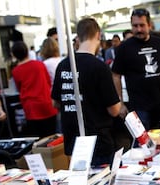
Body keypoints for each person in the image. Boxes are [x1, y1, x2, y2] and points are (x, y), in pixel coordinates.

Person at [52, 17, 127, 167]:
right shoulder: (99, 67)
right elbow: (114, 110)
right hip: (98, 141)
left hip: (73, 140)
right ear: (98, 36)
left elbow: (55, 102)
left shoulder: (63, 65)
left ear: (78, 37)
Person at [111, 8, 160, 131]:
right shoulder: (124, 47)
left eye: (142, 25)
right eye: (135, 26)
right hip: (139, 107)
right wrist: (120, 103)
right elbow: (115, 75)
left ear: (149, 25)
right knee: (143, 146)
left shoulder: (159, 43)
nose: (138, 29)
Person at [11, 40, 58, 139]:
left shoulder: (16, 71)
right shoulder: (39, 64)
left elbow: (19, 89)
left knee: (37, 140)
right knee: (51, 137)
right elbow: (48, 82)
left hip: (31, 108)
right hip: (47, 103)